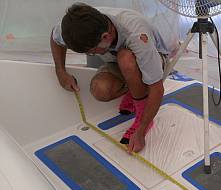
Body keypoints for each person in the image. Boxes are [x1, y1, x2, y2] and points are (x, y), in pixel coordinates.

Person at [50, 3, 171, 152]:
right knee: (100, 90)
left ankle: (140, 111)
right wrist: (60, 71)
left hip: (155, 58)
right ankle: (135, 89)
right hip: (119, 62)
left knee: (125, 57)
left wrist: (141, 129)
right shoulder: (76, 27)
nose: (91, 55)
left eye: (92, 51)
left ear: (106, 36)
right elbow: (55, 37)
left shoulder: (136, 34)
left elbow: (157, 88)